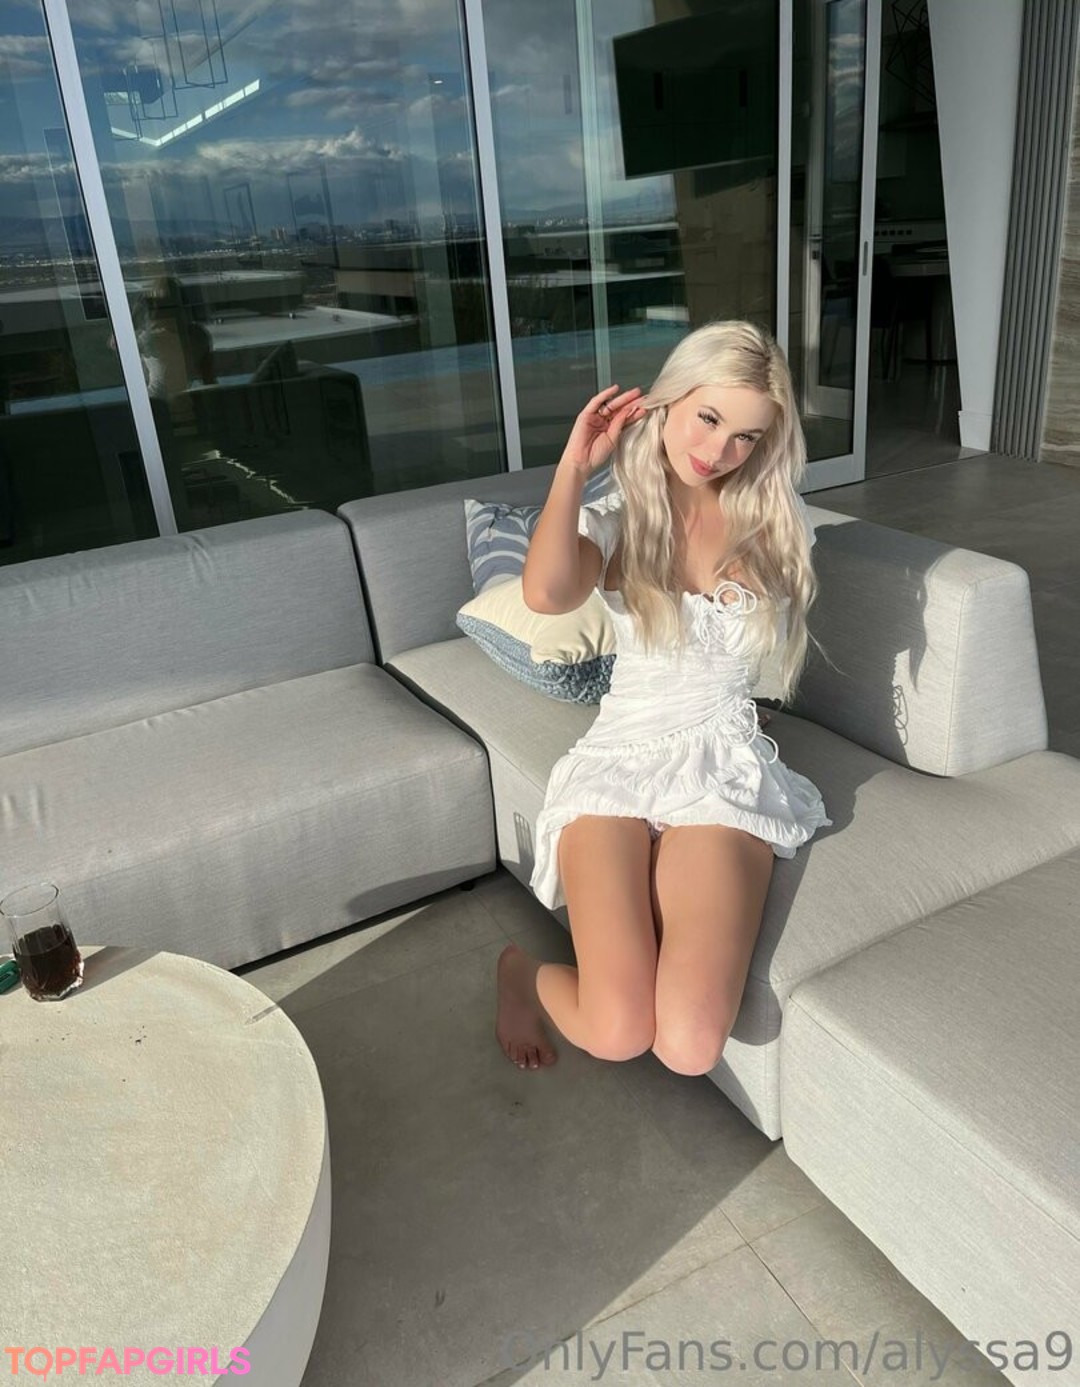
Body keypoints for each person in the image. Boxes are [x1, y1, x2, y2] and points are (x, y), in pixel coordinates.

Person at [495, 319, 832, 1075]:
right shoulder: (619, 515)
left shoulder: (773, 516)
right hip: (617, 761)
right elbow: (546, 593)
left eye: (746, 436)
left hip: (721, 768)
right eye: (708, 417)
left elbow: (753, 651)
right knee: (616, 1030)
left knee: (688, 1046)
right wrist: (573, 468)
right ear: (671, 400)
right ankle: (520, 974)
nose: (718, 450)